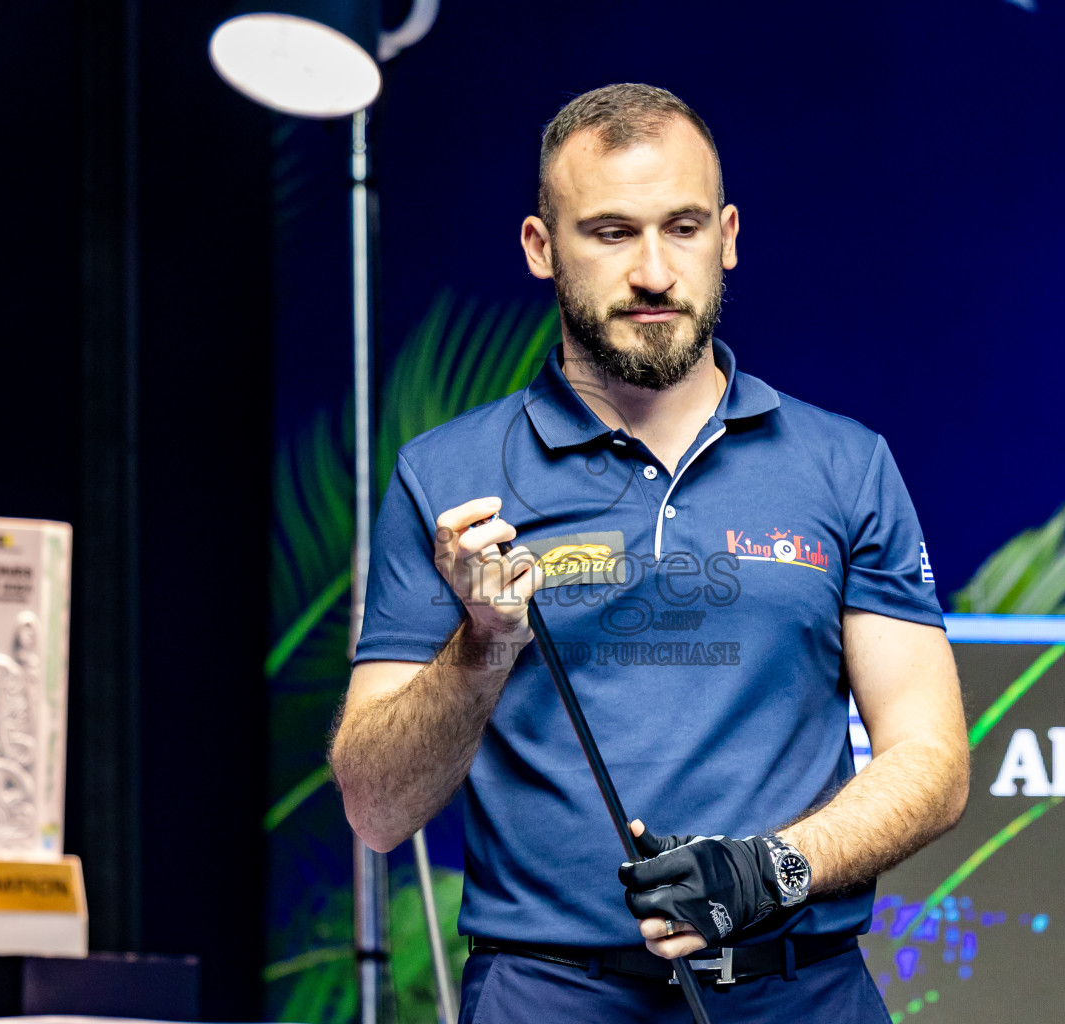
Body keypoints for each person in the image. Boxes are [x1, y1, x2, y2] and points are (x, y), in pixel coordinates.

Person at [331, 83, 969, 1022]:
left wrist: (771, 870)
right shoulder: (449, 477)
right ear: (542, 249)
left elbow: (933, 758)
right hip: (546, 996)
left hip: (806, 991)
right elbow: (377, 810)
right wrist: (481, 645)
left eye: (682, 227)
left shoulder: (845, 465)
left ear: (730, 235)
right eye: (613, 232)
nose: (655, 272)